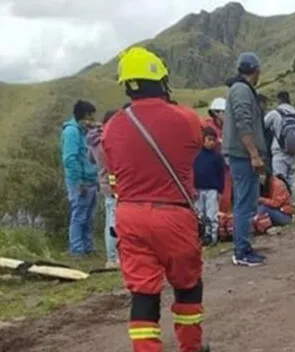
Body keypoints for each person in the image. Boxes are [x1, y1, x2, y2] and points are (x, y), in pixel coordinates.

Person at [102, 46, 209, 352]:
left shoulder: (112, 127)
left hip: (130, 216)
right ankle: (191, 347)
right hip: (174, 215)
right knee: (188, 287)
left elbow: (115, 171)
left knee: (144, 295)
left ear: (127, 85)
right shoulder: (186, 119)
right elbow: (196, 147)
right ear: (162, 82)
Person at [223, 52, 269, 267]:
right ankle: (241, 250)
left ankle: (245, 246)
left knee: (248, 201)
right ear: (256, 71)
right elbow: (244, 122)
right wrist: (254, 154)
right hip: (243, 156)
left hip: (243, 155)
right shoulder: (241, 90)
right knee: (243, 202)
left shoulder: (240, 89)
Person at [60, 99, 99, 257]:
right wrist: (79, 182)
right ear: (83, 116)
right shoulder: (72, 132)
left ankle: (88, 247)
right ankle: (76, 249)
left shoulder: (85, 132)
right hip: (80, 181)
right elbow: (70, 159)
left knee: (89, 216)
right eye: (89, 117)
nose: (91, 121)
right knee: (79, 215)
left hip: (91, 180)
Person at [87, 109, 118, 268]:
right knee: (115, 223)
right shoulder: (109, 140)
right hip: (115, 184)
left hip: (104, 183)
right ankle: (113, 259)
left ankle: (112, 257)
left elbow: (91, 159)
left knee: (110, 221)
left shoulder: (94, 140)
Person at [264, 91, 295, 206]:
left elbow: (263, 125)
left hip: (279, 152)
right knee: (292, 179)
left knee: (279, 179)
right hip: (293, 152)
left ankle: (281, 204)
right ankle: (292, 204)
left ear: (279, 100)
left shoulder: (274, 114)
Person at [194, 127, 225, 246]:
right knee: (199, 213)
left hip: (212, 189)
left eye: (213, 140)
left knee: (211, 214)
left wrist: (220, 191)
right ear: (203, 140)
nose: (211, 142)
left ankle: (212, 236)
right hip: (198, 189)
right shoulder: (196, 156)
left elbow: (221, 175)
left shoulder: (217, 157)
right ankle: (200, 236)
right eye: (209, 139)